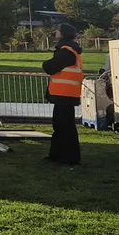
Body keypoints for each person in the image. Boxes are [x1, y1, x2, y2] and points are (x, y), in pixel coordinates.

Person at [42, 23, 84, 166]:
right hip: (65, 95)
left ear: (63, 33)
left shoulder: (66, 51)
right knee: (61, 126)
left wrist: (45, 64)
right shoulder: (69, 49)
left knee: (65, 127)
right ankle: (57, 154)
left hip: (64, 94)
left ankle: (68, 157)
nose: (55, 32)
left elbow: (50, 67)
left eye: (58, 30)